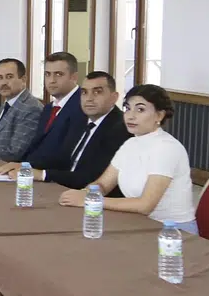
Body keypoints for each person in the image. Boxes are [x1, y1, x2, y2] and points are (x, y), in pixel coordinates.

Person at [58, 84, 197, 232]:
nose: (130, 116)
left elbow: (145, 205)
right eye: (127, 108)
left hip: (173, 231)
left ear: (159, 115)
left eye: (140, 109)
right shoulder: (130, 144)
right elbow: (103, 184)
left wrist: (90, 201)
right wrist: (85, 193)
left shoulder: (166, 148)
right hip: (138, 222)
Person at [0, 71, 129, 188]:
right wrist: (25, 166)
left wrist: (43, 174)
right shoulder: (80, 119)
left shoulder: (120, 129)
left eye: (97, 92)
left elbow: (90, 177)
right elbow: (60, 158)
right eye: (84, 92)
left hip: (91, 197)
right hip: (63, 187)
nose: (89, 99)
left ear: (114, 97)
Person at [21, 52, 87, 169]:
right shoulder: (48, 108)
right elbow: (37, 147)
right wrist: (21, 166)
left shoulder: (83, 107)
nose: (51, 80)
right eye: (47, 74)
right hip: (32, 170)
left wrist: (26, 168)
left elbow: (64, 155)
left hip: (55, 175)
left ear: (74, 77)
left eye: (58, 74)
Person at [0, 58, 44, 162]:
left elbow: (14, 153)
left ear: (23, 79)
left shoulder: (31, 108)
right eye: (0, 77)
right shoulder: (3, 107)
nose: (4, 82)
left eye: (9, 77)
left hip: (5, 167)